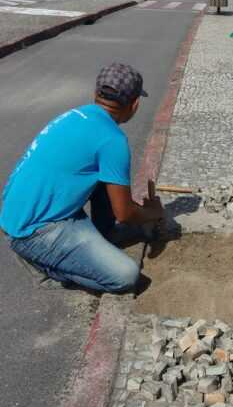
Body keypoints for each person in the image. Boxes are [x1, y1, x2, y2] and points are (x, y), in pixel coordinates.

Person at [0, 63, 165, 293]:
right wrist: (153, 213)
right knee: (126, 276)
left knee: (103, 176)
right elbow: (124, 213)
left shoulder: (75, 115)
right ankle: (46, 263)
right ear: (134, 104)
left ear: (96, 94)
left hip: (14, 211)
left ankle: (104, 234)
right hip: (34, 231)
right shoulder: (112, 140)